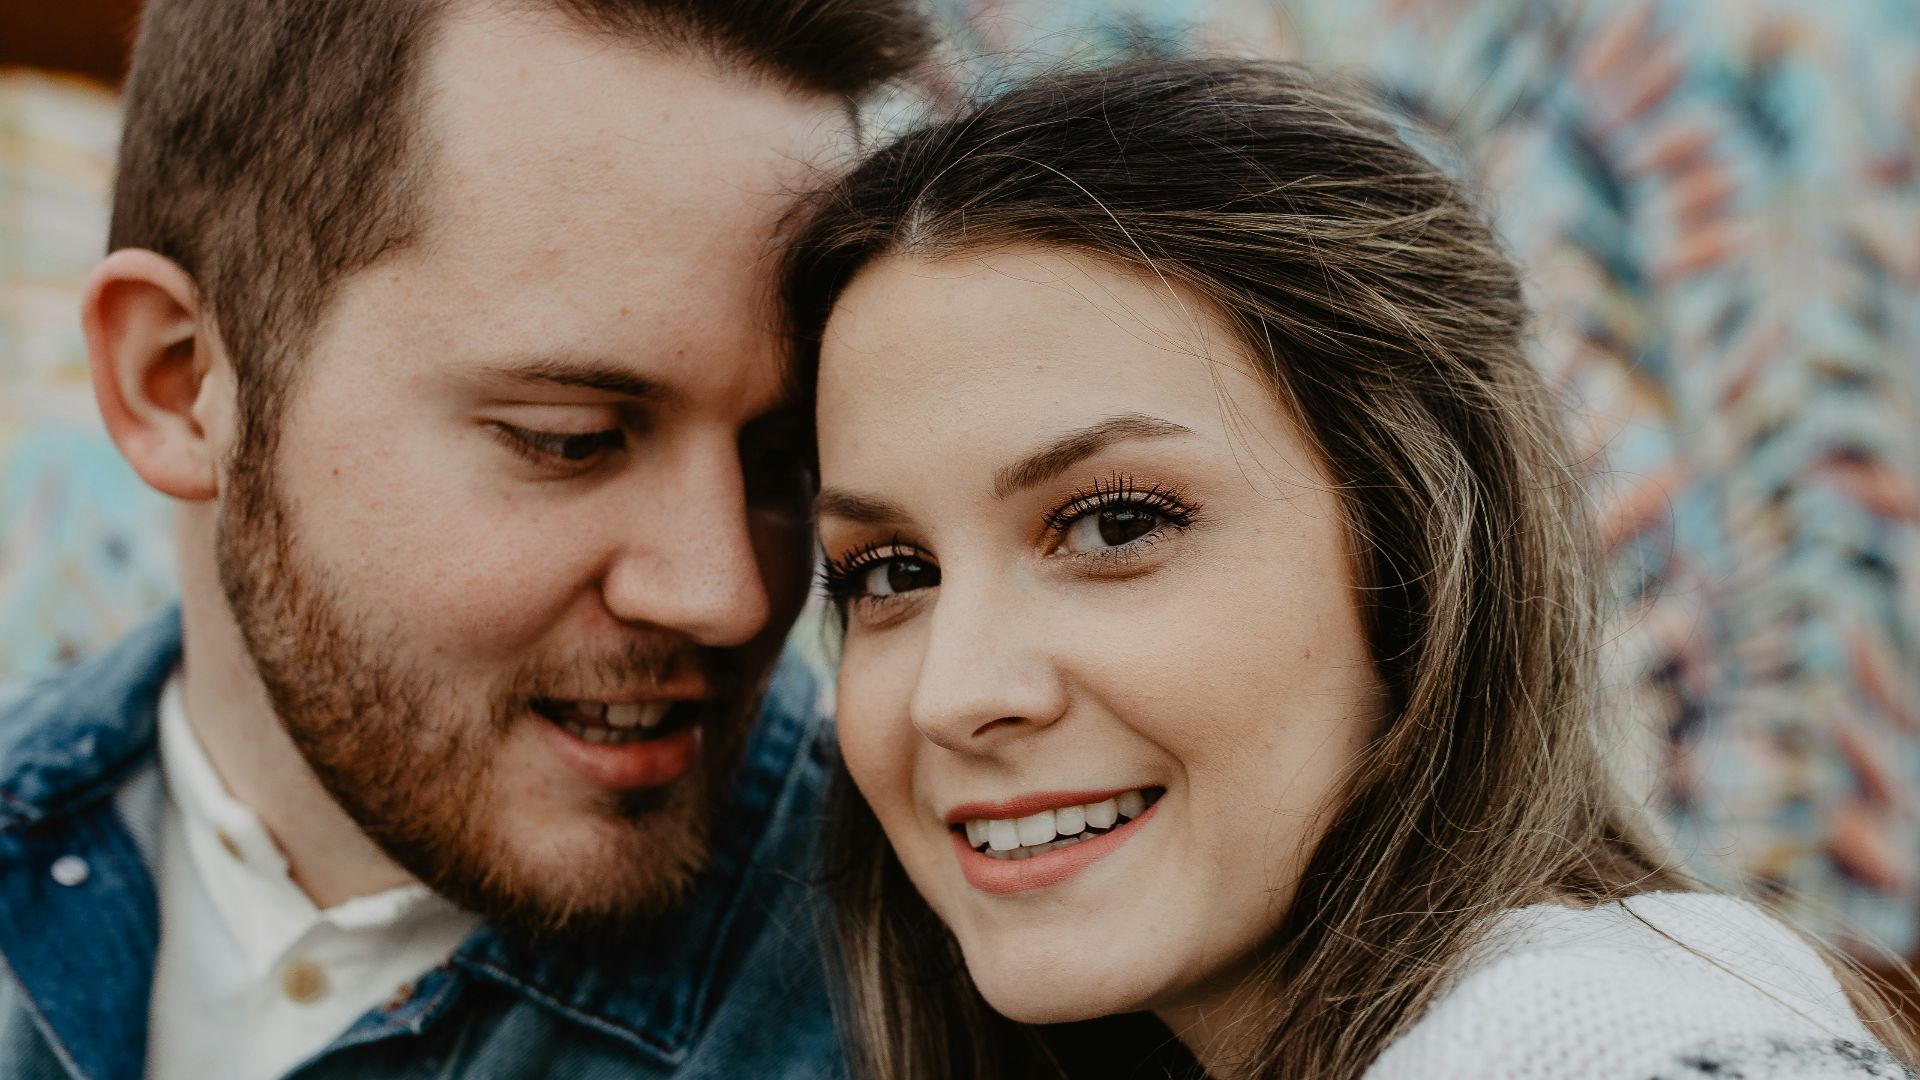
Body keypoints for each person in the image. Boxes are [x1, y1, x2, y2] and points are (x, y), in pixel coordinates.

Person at [784, 58, 1919, 1079]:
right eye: (889, 574)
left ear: (1418, 550)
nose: (955, 697)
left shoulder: (1582, 1030)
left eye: (1116, 526)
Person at [0, 1, 934, 1077]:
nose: (728, 593)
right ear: (178, 384)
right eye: (570, 441)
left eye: (782, 457)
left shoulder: (932, 1014)